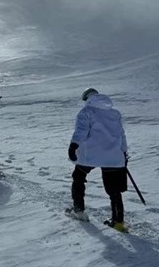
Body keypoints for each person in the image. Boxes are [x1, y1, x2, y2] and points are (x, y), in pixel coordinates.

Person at [66, 88, 129, 232]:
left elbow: (81, 131)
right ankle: (118, 222)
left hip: (90, 156)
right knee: (114, 190)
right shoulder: (115, 113)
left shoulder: (86, 112)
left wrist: (73, 146)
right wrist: (124, 153)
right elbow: (121, 135)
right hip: (113, 156)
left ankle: (79, 210)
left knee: (78, 178)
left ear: (87, 99)